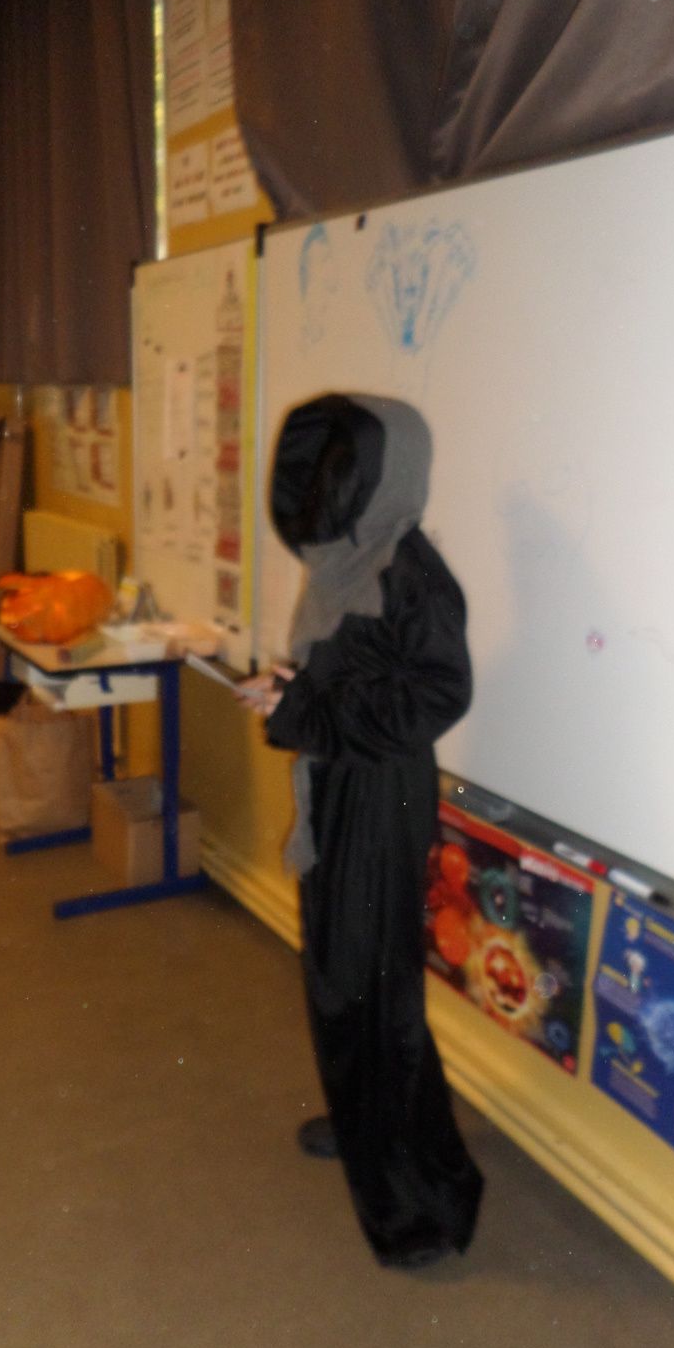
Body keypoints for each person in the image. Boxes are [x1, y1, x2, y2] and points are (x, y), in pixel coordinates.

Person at [239, 392, 483, 1270]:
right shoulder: (346, 557)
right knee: (337, 976)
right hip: (339, 786)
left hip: (380, 801)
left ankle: (420, 1200)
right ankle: (362, 1120)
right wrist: (289, 689)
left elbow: (435, 696)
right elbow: (348, 676)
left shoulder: (411, 574)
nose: (325, 488)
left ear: (388, 476)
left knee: (371, 994)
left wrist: (306, 708)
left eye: (344, 470)